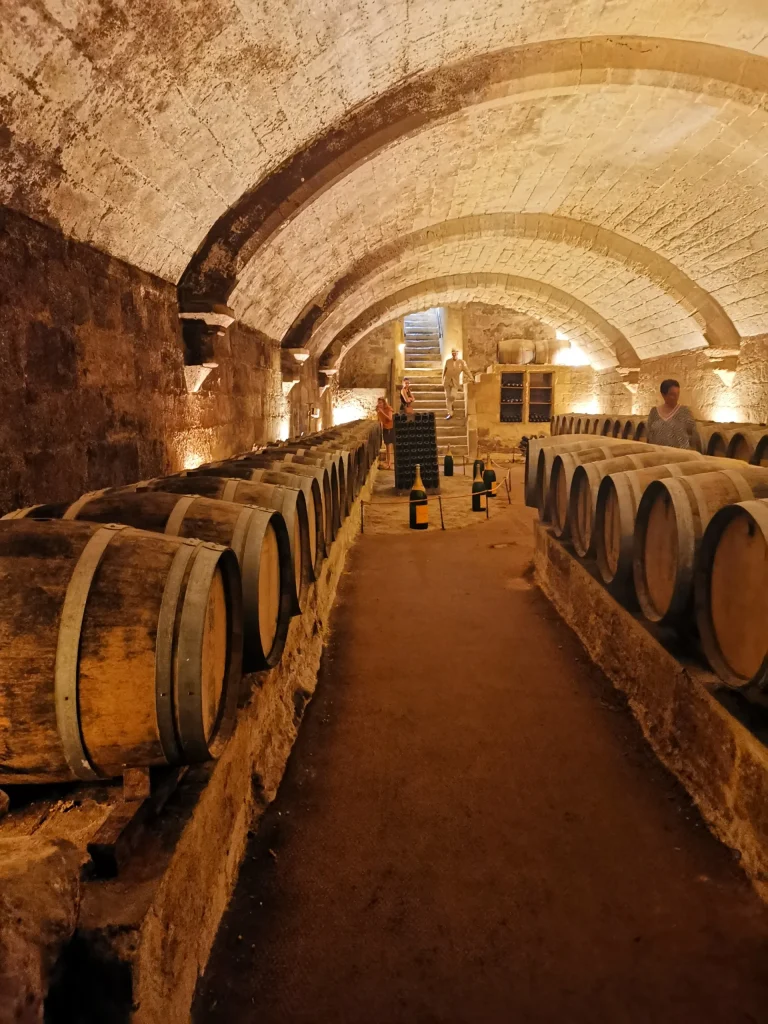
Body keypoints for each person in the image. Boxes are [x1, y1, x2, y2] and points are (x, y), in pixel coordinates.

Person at [646, 379, 696, 449]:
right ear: (663, 395)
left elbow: (693, 436)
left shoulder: (685, 412)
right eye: (672, 394)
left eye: (677, 394)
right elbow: (649, 435)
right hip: (658, 455)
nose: (676, 397)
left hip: (681, 456)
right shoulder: (654, 412)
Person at [442, 348, 472, 419]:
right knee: (448, 397)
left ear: (457, 354)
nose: (454, 355)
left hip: (455, 382)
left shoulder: (461, 362)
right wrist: (442, 380)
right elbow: (444, 371)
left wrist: (471, 378)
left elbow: (466, 371)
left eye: (455, 353)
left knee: (453, 396)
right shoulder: (448, 361)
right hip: (447, 381)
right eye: (453, 353)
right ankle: (450, 413)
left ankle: (451, 404)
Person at [376, 396, 395, 469]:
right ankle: (388, 461)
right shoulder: (379, 409)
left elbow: (390, 418)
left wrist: (382, 412)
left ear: (384, 403)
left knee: (389, 446)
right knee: (387, 445)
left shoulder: (388, 408)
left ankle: (389, 462)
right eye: (378, 403)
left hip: (390, 428)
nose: (379, 404)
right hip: (385, 428)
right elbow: (379, 418)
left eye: (380, 403)